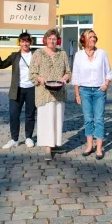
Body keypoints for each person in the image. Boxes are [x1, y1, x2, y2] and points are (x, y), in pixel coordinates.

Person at [29, 28, 71, 161]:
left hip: (59, 93)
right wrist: (41, 79)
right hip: (44, 93)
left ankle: (55, 145)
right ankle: (47, 148)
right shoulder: (38, 54)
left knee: (57, 120)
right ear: (45, 40)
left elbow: (68, 72)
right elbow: (32, 74)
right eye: (50, 39)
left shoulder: (62, 53)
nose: (52, 41)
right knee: (46, 120)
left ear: (58, 40)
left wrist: (65, 78)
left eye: (55, 39)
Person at [72, 29, 112, 159]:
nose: (93, 39)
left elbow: (109, 72)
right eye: (90, 37)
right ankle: (89, 145)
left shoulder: (102, 53)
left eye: (94, 37)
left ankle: (99, 148)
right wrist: (77, 94)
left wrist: (106, 84)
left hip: (99, 91)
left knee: (99, 119)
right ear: (84, 39)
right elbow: (76, 75)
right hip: (84, 91)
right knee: (88, 119)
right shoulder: (79, 55)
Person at [0, 32, 37, 149]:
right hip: (16, 89)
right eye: (23, 41)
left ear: (30, 42)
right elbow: (1, 65)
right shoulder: (14, 56)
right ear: (19, 43)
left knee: (30, 115)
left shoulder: (36, 54)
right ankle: (14, 139)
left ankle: (28, 137)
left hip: (32, 88)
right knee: (13, 114)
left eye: (27, 41)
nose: (25, 43)